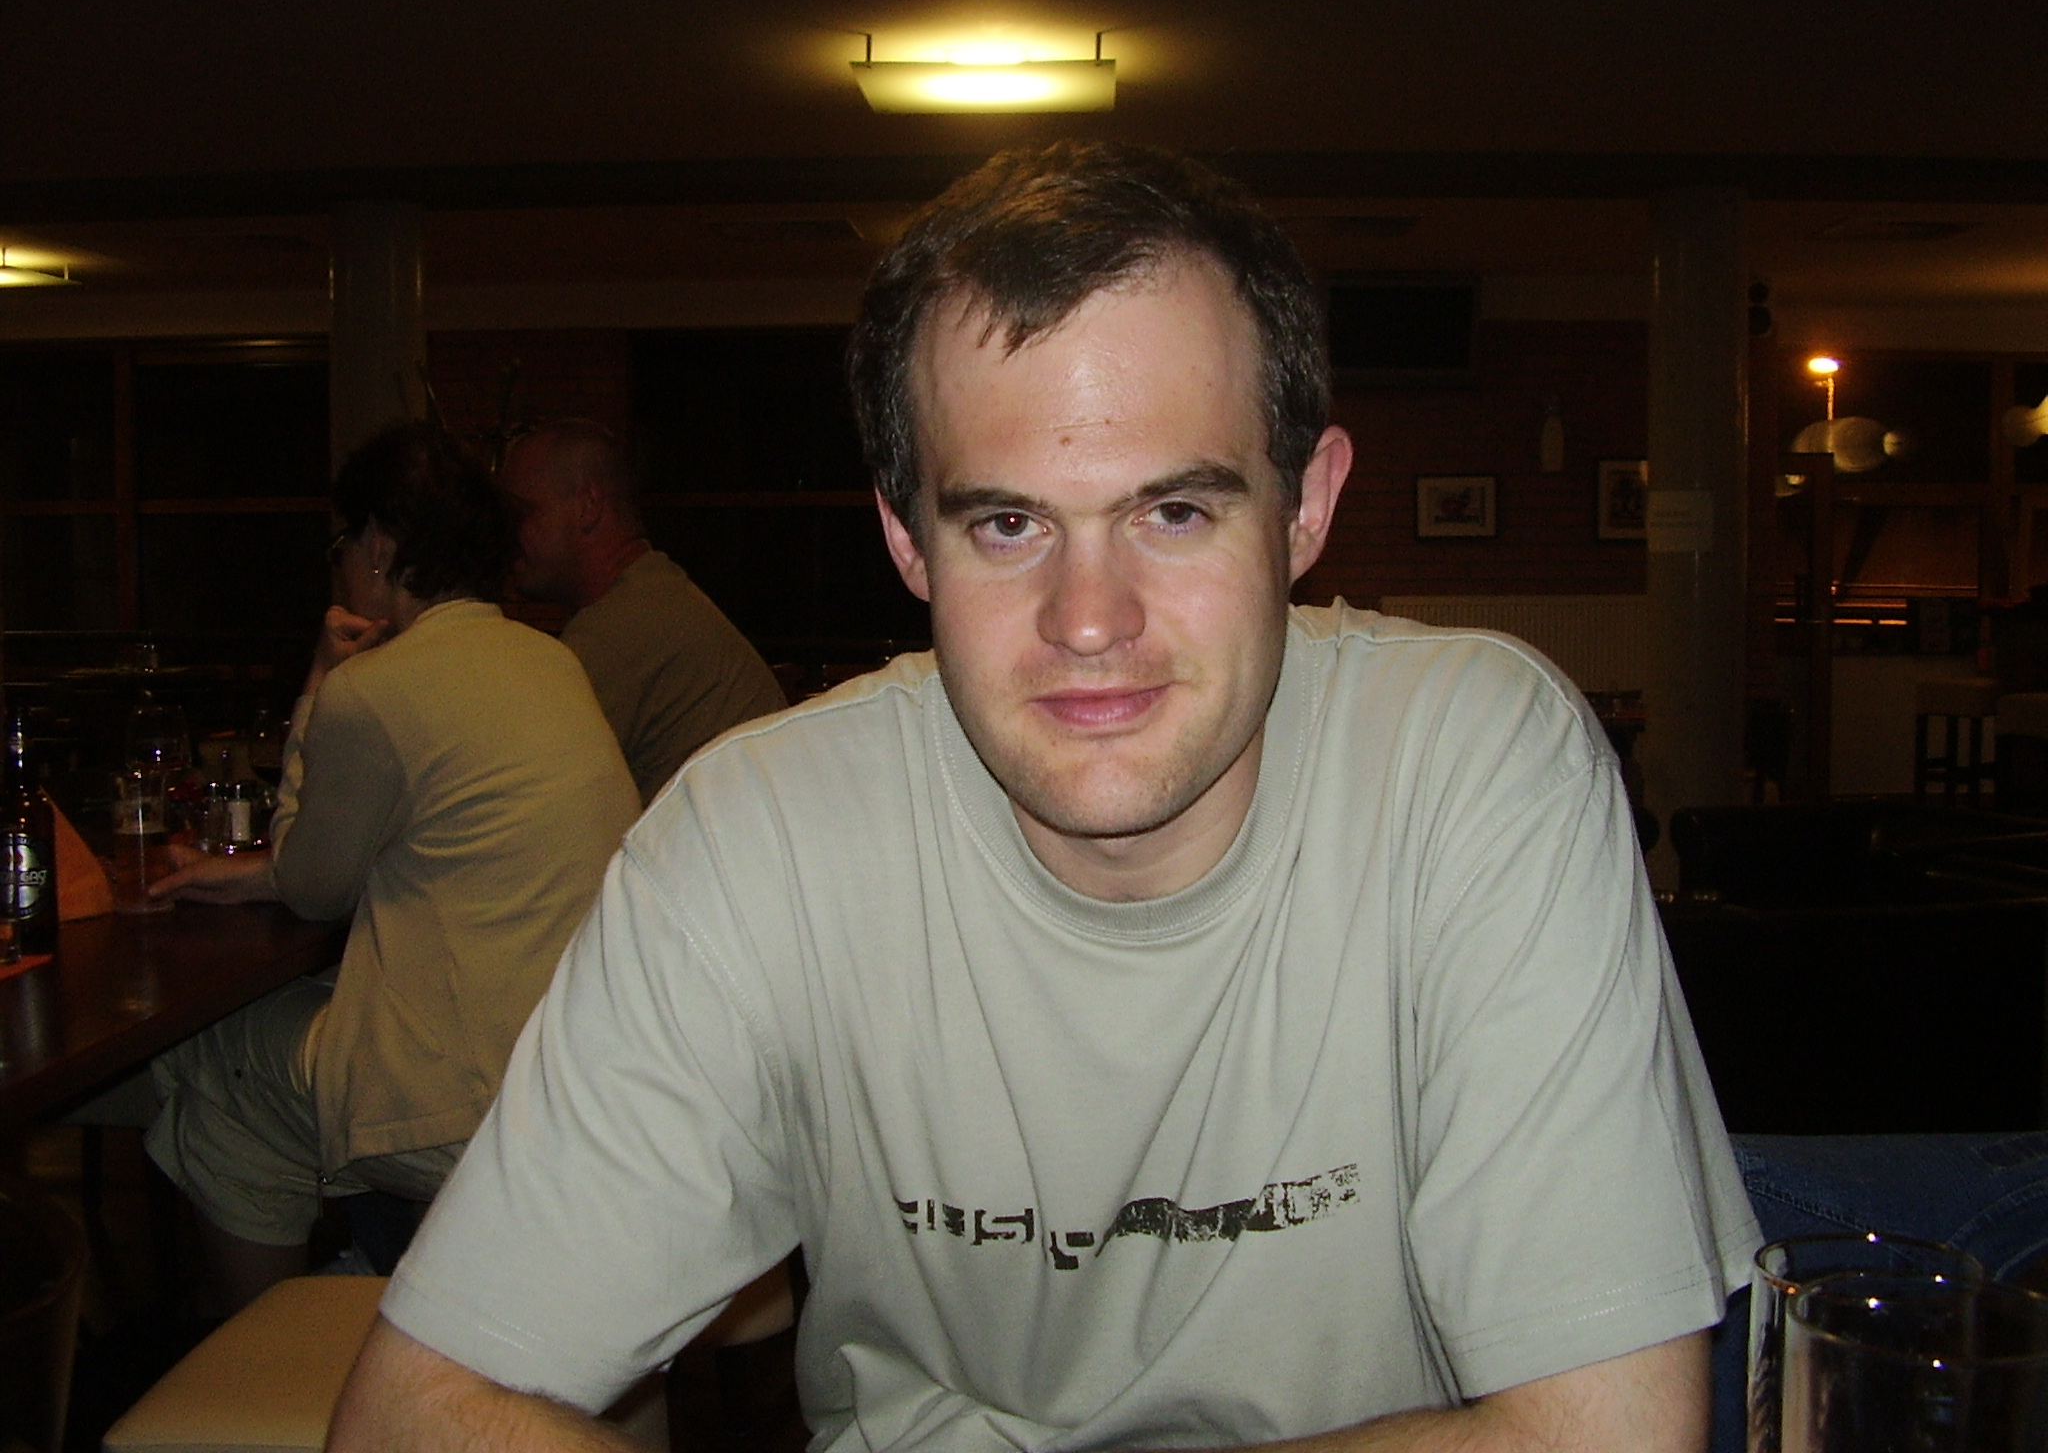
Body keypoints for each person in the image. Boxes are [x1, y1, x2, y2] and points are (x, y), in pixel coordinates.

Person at [332, 143, 1758, 1452]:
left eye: (1174, 511)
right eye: (1007, 523)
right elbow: (415, 1413)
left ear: (1307, 508)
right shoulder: (757, 839)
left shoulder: (1475, 767)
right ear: (907, 539)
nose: (1089, 620)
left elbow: (1607, 1433)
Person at [147, 423, 640, 1314]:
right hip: (573, 1073)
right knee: (307, 1034)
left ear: (379, 544)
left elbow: (314, 886)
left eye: (344, 543)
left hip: (469, 1105)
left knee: (218, 1063)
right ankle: (382, 1278)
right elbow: (426, 841)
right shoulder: (551, 660)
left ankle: (274, 1349)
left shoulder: (371, 690)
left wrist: (320, 677)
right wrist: (255, 874)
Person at [498, 418, 786, 805]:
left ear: (588, 506)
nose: (506, 534)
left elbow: (518, 791)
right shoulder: (652, 596)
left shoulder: (623, 630)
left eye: (522, 512)